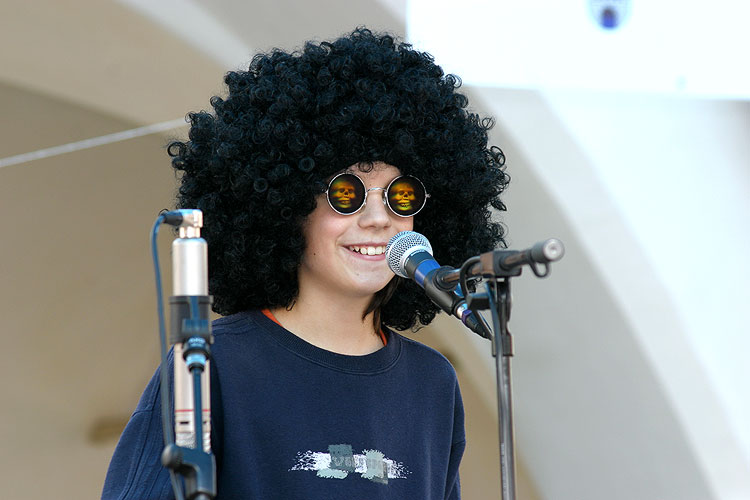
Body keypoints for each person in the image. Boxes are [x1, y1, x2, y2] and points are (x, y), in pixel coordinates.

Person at [102, 27, 508, 500]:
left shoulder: (432, 384)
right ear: (289, 206)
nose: (379, 218)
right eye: (346, 193)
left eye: (401, 195)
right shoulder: (209, 365)